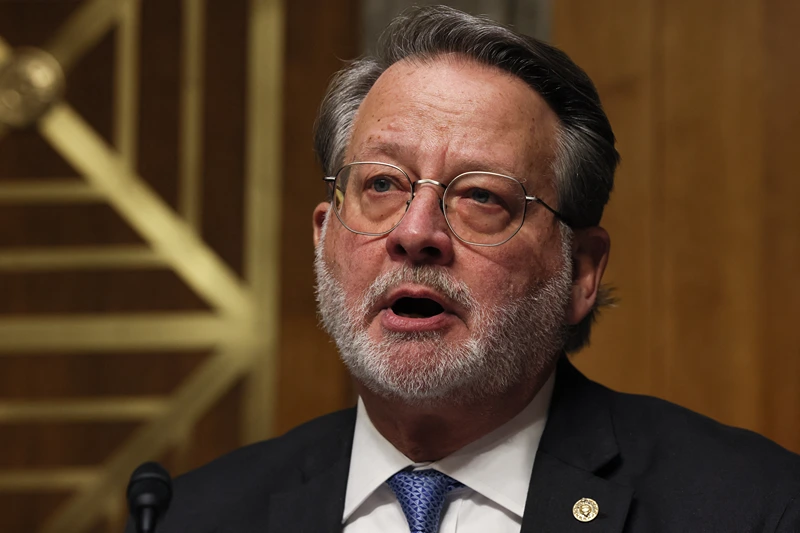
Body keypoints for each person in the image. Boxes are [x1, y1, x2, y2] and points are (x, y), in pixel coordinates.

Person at [142, 5, 800, 532]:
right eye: (380, 185)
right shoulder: (190, 516)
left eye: (482, 196)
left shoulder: (754, 507)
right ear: (324, 239)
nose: (415, 232)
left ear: (581, 272)